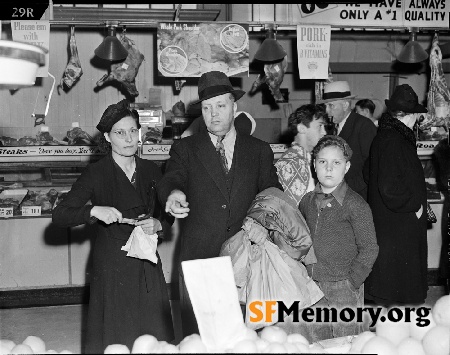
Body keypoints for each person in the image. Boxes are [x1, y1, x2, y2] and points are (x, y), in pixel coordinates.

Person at [157, 70, 283, 337]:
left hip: (247, 256)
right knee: (201, 336)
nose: (213, 114)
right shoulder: (186, 149)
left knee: (246, 334)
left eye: (220, 106)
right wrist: (173, 193)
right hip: (201, 254)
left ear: (234, 107)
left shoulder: (259, 150)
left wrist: (261, 223)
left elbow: (273, 195)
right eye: (206, 108)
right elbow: (172, 177)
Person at [52, 99, 174, 353]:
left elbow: (168, 213)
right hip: (112, 265)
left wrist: (159, 223)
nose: (129, 139)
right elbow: (60, 214)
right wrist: (93, 210)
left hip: (146, 261)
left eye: (133, 131)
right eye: (120, 133)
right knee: (117, 336)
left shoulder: (152, 170)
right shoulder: (96, 173)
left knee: (154, 335)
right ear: (107, 137)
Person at [299, 135, 379, 340]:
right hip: (312, 284)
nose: (328, 168)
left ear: (347, 166)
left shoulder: (355, 205)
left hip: (343, 286)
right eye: (322, 162)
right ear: (313, 164)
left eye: (336, 163)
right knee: (316, 339)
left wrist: (352, 282)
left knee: (347, 339)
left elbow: (370, 247)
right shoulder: (306, 202)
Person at [365, 84, 428, 306]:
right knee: (401, 299)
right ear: (409, 116)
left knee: (394, 297)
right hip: (400, 229)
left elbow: (367, 173)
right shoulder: (395, 140)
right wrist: (415, 205)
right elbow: (390, 189)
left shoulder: (386, 136)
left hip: (392, 228)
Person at [320, 81, 377, 201]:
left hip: (358, 196)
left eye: (331, 106)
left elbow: (372, 165)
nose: (327, 111)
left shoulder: (364, 126)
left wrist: (346, 188)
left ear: (345, 105)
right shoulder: (332, 128)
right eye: (326, 106)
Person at [275, 104, 327, 207]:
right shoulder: (291, 163)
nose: (324, 132)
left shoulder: (307, 158)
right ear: (302, 128)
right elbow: (291, 214)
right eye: (319, 126)